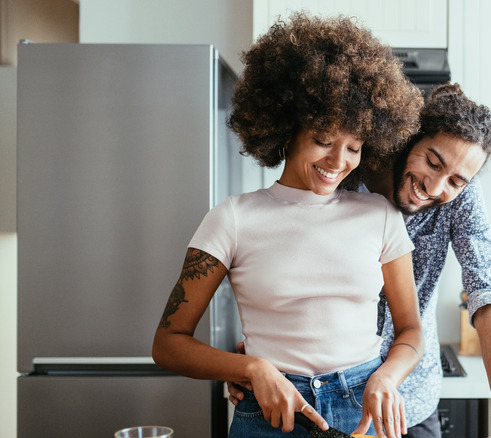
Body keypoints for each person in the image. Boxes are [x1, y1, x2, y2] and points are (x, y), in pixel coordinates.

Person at [152, 12, 425, 438]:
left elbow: (410, 330)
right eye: (322, 140)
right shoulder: (233, 218)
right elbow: (168, 343)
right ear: (286, 128)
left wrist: (387, 377)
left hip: (361, 411)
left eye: (353, 147)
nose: (338, 162)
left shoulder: (380, 216)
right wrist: (251, 368)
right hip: (270, 413)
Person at [229, 83, 491, 437]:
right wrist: (256, 361)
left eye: (455, 180)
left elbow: (487, 291)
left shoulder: (462, 196)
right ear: (408, 139)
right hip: (332, 408)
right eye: (432, 162)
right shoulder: (338, 176)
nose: (434, 187)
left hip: (413, 404)